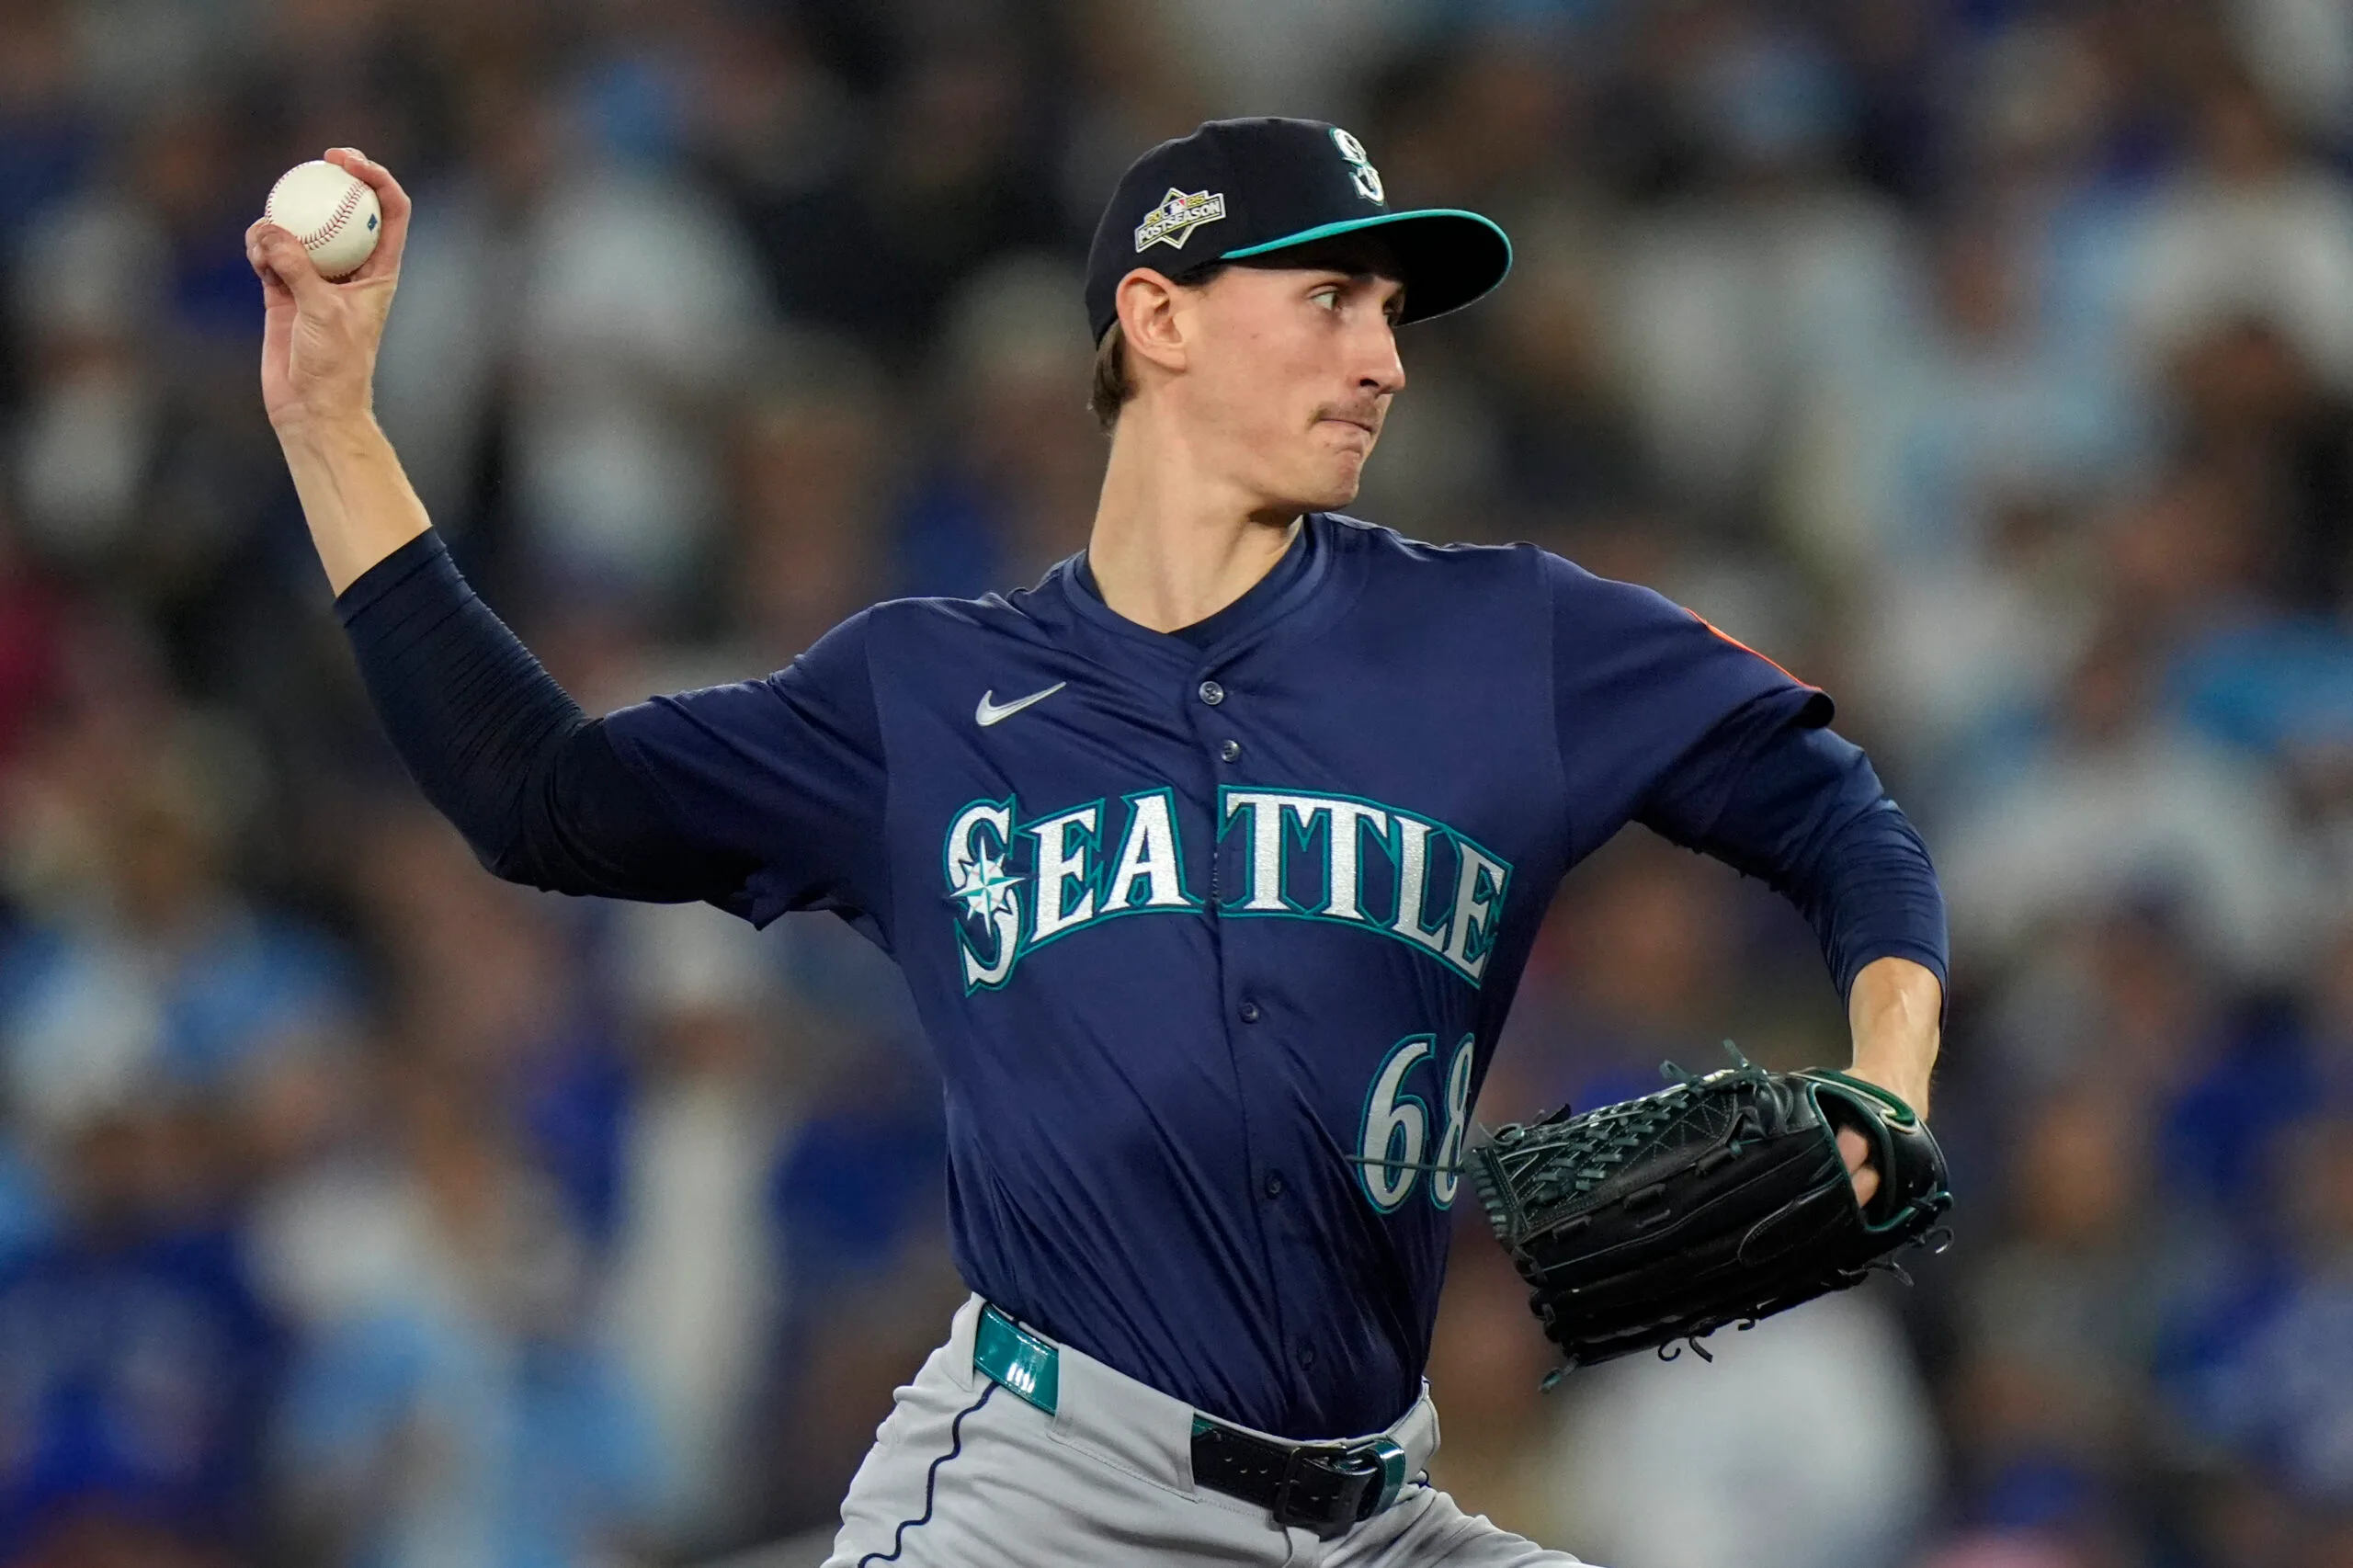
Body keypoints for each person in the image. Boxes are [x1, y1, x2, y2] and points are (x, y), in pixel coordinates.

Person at [247, 119, 1948, 1567]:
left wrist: (1886, 1078)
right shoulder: (924, 695)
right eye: (1332, 298)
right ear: (1161, 316)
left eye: (1393, 313)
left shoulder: (1507, 639)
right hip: (1046, 1496)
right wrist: (333, 423)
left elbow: (1830, 806)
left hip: (1377, 1510)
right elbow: (538, 795)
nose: (1386, 356)